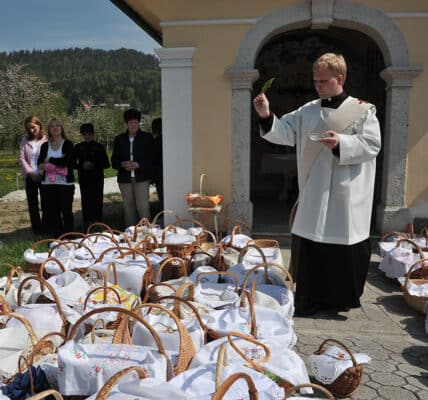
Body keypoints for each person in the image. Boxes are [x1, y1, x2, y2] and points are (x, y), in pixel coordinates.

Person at [253, 53, 381, 316]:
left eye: (323, 81)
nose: (318, 86)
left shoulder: (362, 111)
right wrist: (266, 115)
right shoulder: (307, 111)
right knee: (311, 245)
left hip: (347, 193)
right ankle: (309, 301)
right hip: (315, 189)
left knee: (343, 247)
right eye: (316, 81)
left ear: (340, 79)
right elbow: (285, 133)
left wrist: (342, 143)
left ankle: (338, 301)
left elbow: (372, 145)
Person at [111, 108, 154, 228]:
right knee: (129, 209)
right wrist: (122, 164)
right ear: (126, 124)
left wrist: (139, 165)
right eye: (130, 122)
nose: (133, 125)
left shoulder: (147, 138)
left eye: (135, 122)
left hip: (142, 178)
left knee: (143, 208)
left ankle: (148, 235)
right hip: (125, 180)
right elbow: (113, 161)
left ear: (139, 123)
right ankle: (131, 237)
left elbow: (152, 159)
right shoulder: (119, 139)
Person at [37, 118, 75, 237]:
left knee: (66, 211)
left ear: (61, 128)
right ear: (49, 129)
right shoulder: (44, 146)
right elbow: (39, 164)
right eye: (52, 126)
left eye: (58, 125)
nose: (55, 128)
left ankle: (69, 236)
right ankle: (57, 237)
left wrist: (50, 160)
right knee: (53, 212)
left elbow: (67, 162)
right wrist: (51, 163)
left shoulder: (68, 144)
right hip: (47, 184)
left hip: (65, 184)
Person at [73, 123, 110, 231]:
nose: (87, 136)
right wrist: (81, 166)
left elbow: (106, 164)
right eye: (85, 134)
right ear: (82, 135)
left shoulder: (99, 147)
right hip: (84, 179)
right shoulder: (78, 147)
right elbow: (72, 163)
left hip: (97, 178)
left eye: (89, 134)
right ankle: (87, 224)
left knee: (97, 200)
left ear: (93, 134)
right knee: (86, 201)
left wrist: (94, 164)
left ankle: (99, 223)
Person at [19, 116, 48, 234]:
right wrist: (31, 173)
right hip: (29, 176)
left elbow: (48, 157)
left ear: (39, 125)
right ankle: (36, 228)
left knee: (46, 203)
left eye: (33, 127)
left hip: (44, 175)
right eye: (28, 128)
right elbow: (22, 158)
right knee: (32, 204)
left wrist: (40, 173)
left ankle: (47, 226)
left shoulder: (46, 140)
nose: (31, 130)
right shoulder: (24, 140)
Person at [151, 117, 163, 207]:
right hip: (165, 172)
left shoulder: (155, 142)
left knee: (162, 197)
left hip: (159, 174)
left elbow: (153, 160)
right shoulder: (167, 140)